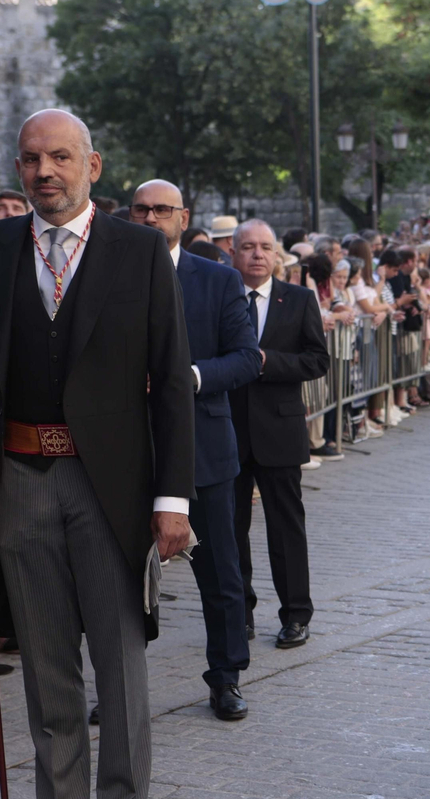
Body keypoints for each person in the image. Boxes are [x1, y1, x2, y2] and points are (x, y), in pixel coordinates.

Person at [0, 110, 194, 799]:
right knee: (47, 665)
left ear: (93, 163)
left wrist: (173, 499)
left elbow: (172, 383)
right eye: (29, 159)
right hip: (19, 480)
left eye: (58, 157)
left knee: (118, 667)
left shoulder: (139, 250)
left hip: (110, 486)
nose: (43, 171)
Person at [131, 179, 260, 720]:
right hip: (127, 449)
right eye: (141, 210)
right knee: (118, 578)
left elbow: (246, 358)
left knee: (220, 572)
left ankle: (226, 676)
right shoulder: (106, 276)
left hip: (203, 446)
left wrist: (186, 377)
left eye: (163, 210)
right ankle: (121, 686)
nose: (151, 218)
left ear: (183, 218)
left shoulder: (218, 280)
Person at [228, 220, 328, 651]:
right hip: (227, 429)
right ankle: (238, 614)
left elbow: (316, 360)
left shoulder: (300, 299)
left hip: (280, 428)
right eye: (247, 247)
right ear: (233, 253)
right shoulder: (220, 295)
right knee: (230, 529)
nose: (257, 255)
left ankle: (296, 616)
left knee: (286, 528)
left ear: (277, 256)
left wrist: (267, 361)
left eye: (265, 247)